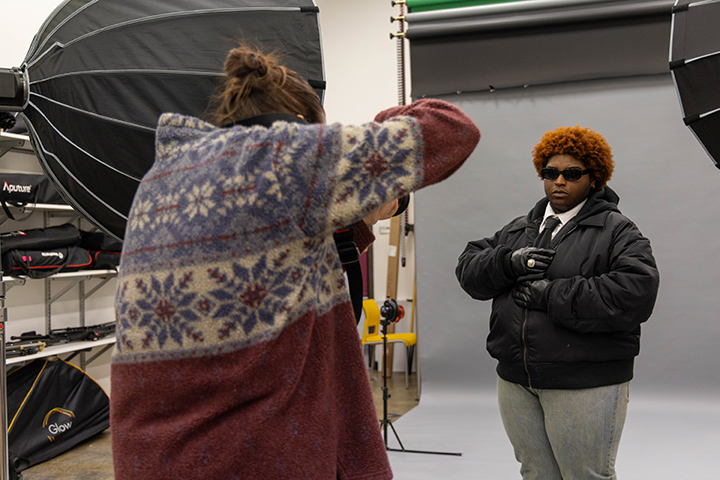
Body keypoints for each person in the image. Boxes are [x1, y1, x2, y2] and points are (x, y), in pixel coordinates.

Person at [110, 44, 480, 479]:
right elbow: (453, 129)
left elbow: (271, 277)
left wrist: (357, 223)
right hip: (254, 456)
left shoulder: (163, 178)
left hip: (153, 455)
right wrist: (378, 133)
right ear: (301, 124)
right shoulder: (283, 157)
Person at [455, 126, 659, 479]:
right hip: (517, 380)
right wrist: (507, 262)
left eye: (572, 173)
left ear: (594, 178)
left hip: (584, 382)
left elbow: (635, 292)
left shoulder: (617, 230)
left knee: (585, 475)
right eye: (550, 173)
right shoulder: (520, 229)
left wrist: (551, 296)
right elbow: (468, 268)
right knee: (536, 473)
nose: (559, 181)